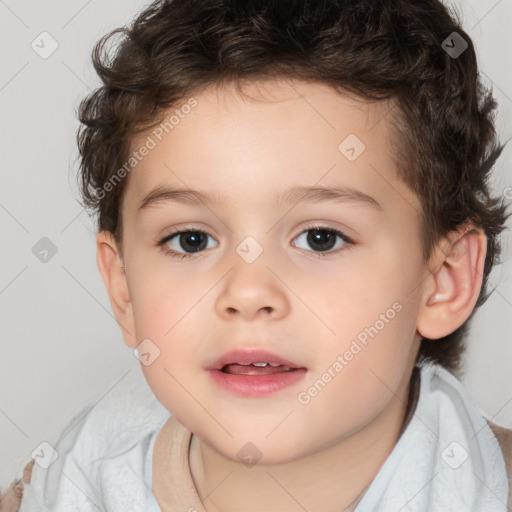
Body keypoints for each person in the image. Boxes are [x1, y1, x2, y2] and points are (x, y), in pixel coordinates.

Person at [2, 0, 511, 510]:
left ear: (443, 280)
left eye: (320, 238)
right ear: (123, 289)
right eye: (191, 240)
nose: (247, 293)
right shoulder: (61, 488)